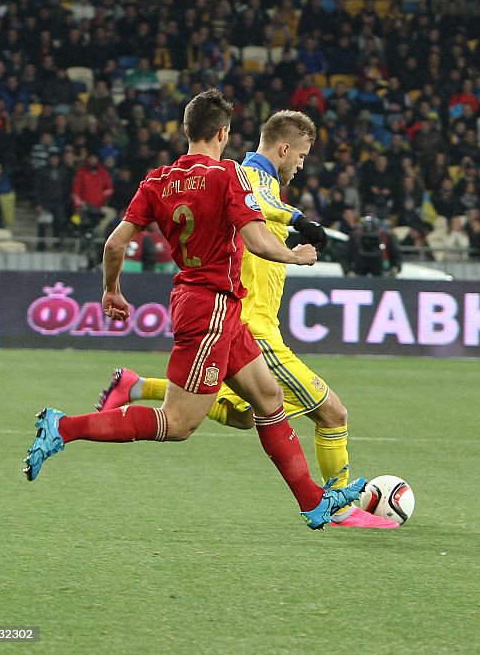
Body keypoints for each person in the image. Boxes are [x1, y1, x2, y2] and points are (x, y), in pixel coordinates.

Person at [23, 91, 366, 530]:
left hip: (213, 304)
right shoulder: (228, 177)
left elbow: (114, 244)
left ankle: (313, 502)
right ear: (223, 133)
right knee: (178, 423)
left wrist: (111, 291)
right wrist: (297, 257)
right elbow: (258, 240)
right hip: (212, 308)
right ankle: (64, 427)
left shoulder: (158, 179)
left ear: (188, 130)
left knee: (268, 399)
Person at [96, 110, 396, 528]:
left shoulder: (263, 193)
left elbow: (258, 221)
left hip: (246, 325)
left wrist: (286, 231)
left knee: (243, 415)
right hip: (249, 325)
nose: (302, 165)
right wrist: (298, 221)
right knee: (333, 413)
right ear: (285, 148)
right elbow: (260, 199)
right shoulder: (247, 175)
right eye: (303, 156)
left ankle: (137, 384)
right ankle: (341, 506)